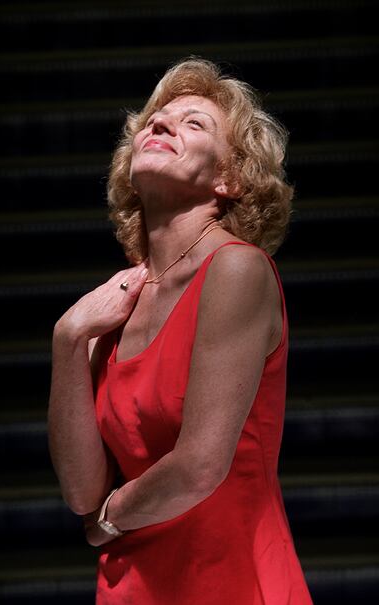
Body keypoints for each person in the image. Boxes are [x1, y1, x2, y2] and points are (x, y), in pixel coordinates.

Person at [48, 58, 313, 604]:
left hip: (230, 581)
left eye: (194, 124)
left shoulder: (237, 269)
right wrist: (69, 338)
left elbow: (198, 468)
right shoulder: (114, 303)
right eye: (156, 120)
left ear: (229, 178)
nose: (161, 125)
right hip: (130, 585)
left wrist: (110, 521)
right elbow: (80, 492)